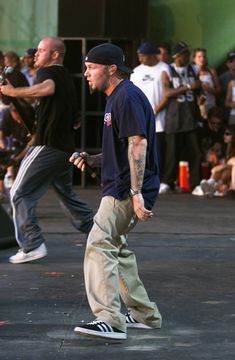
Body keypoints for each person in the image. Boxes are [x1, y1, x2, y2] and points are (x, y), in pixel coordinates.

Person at [70, 43, 162, 340]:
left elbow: (138, 143)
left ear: (111, 69)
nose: (86, 74)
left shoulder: (125, 97)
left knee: (99, 244)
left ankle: (110, 319)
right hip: (123, 186)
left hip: (124, 190)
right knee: (117, 249)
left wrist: (136, 193)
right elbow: (124, 147)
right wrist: (94, 158)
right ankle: (144, 315)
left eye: (91, 67)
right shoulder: (118, 97)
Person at [0, 36, 94, 264]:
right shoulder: (68, 79)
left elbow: (46, 89)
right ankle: (101, 234)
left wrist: (11, 92)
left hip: (48, 146)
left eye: (41, 50)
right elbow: (75, 120)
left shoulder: (47, 73)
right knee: (67, 196)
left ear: (55, 55)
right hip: (64, 150)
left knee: (19, 193)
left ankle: (32, 244)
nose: (36, 54)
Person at [160, 41, 202, 194]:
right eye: (185, 54)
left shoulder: (193, 69)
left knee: (195, 152)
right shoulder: (168, 70)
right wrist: (189, 87)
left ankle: (196, 184)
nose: (188, 56)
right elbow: (167, 93)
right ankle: (167, 182)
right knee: (172, 153)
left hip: (190, 117)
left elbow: (199, 91)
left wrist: (201, 97)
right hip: (174, 118)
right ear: (177, 56)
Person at [130, 42, 170, 177]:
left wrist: (153, 111)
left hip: (159, 120)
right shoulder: (135, 71)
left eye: (143, 56)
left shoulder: (164, 68)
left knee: (158, 151)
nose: (140, 59)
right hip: (139, 119)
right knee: (140, 150)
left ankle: (159, 179)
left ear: (152, 56)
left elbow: (167, 94)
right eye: (138, 56)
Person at [200, 125, 235, 197]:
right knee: (225, 170)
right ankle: (211, 185)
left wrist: (223, 166)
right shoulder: (226, 148)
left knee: (228, 168)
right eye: (224, 134)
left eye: (228, 134)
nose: (224, 136)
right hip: (226, 175)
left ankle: (212, 185)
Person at [192, 48, 221, 119]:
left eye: (204, 56)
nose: (202, 59)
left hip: (212, 107)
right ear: (194, 59)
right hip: (197, 108)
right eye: (199, 57)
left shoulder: (211, 71)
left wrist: (210, 90)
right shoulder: (191, 73)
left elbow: (219, 90)